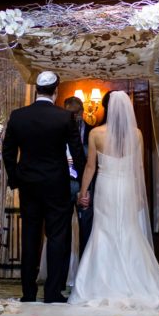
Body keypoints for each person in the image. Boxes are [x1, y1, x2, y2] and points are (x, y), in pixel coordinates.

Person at [69, 91, 159, 309]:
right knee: (128, 229)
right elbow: (138, 168)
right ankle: (136, 282)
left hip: (106, 187)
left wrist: (83, 192)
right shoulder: (136, 134)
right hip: (128, 185)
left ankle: (102, 282)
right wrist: (139, 194)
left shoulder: (96, 133)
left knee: (105, 230)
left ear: (106, 107)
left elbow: (90, 166)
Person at [2, 71, 85, 303]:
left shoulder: (18, 116)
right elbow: (77, 152)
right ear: (56, 91)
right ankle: (52, 292)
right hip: (56, 183)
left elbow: (8, 151)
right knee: (57, 236)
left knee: (30, 236)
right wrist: (82, 182)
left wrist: (15, 177)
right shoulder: (64, 117)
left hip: (28, 184)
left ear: (37, 89)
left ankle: (28, 293)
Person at [63, 95, 94, 259]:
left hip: (84, 183)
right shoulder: (58, 129)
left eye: (76, 113)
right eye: (70, 113)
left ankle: (84, 269)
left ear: (82, 111)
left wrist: (86, 188)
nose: (74, 116)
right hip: (63, 183)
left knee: (86, 228)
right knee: (63, 230)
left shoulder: (92, 132)